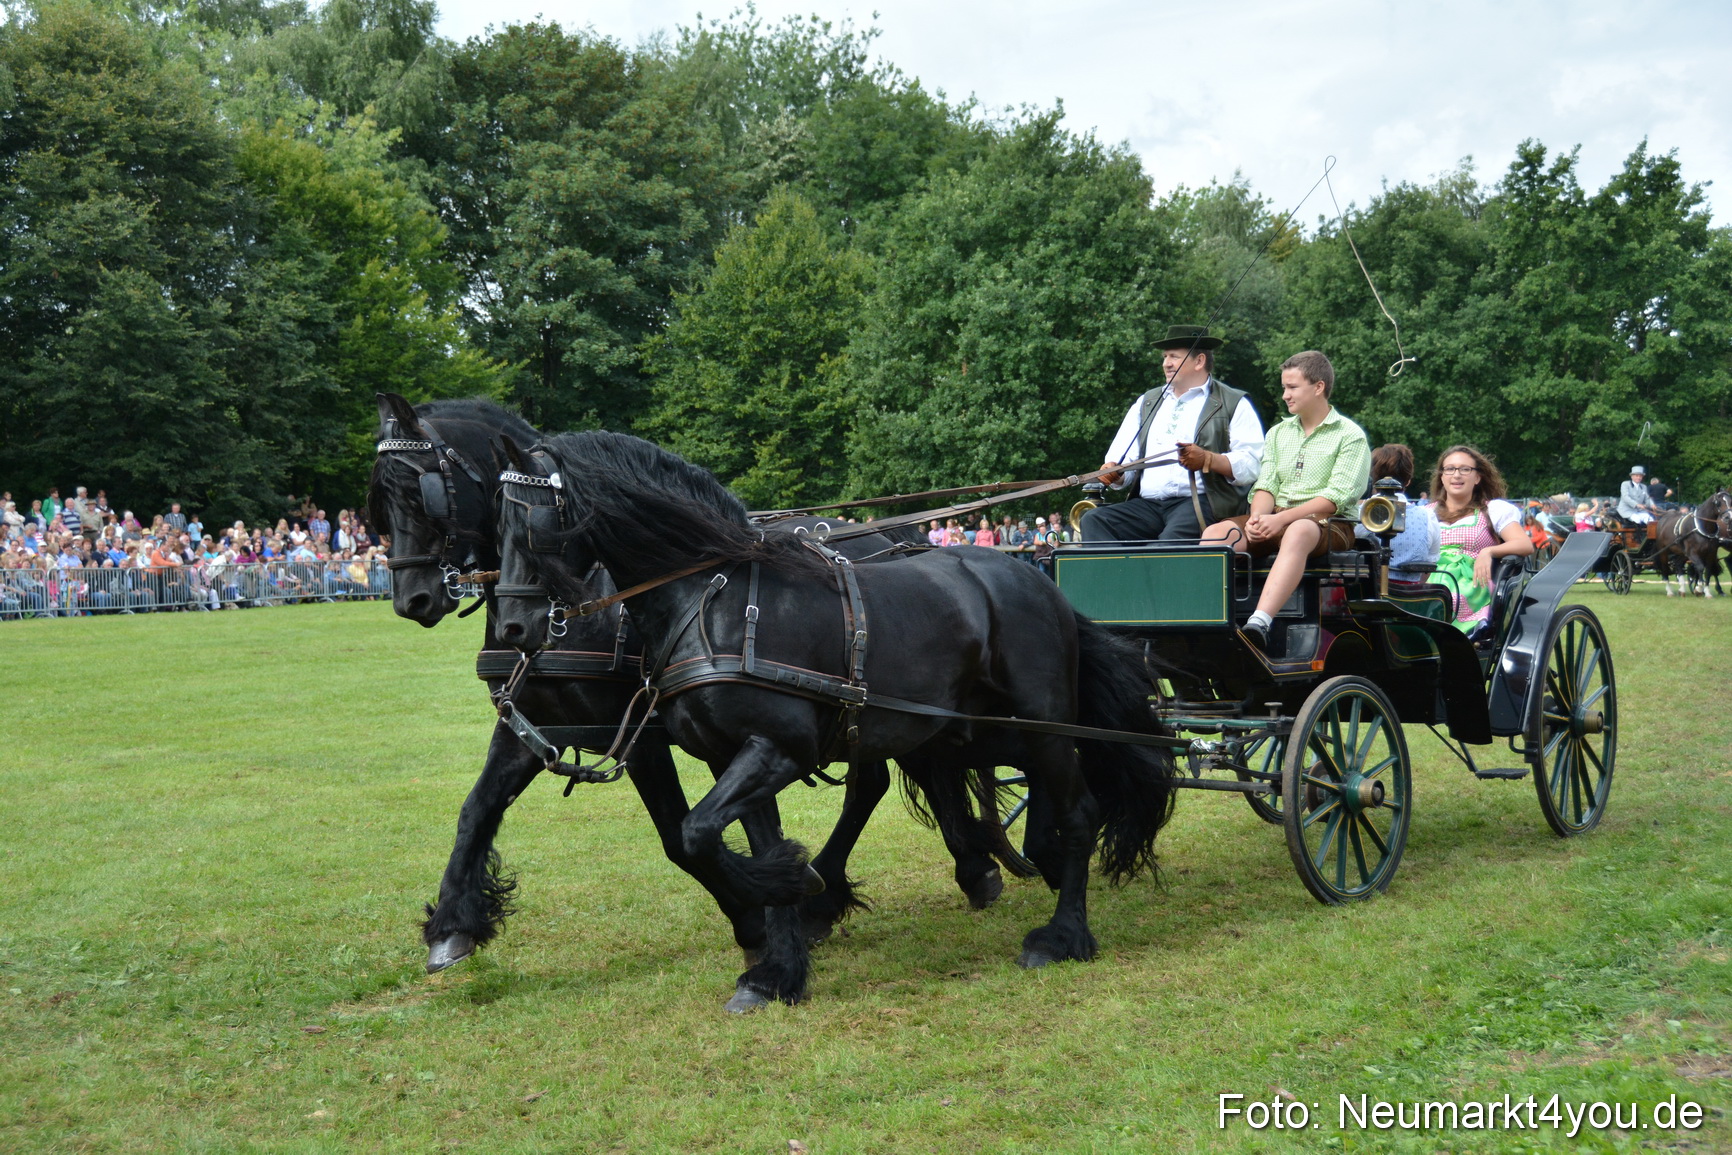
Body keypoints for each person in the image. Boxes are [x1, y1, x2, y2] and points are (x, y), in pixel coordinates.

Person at [1201, 351, 1369, 651]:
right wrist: (1257, 518)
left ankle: (1259, 623)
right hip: (1277, 517)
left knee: (1298, 530)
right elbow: (1265, 485)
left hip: (1331, 524)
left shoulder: (1350, 435)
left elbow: (1334, 498)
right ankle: (1207, 621)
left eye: (1292, 387)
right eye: (1284, 387)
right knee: (1216, 534)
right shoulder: (1278, 433)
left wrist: (1280, 520)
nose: (1284, 395)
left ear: (1318, 387)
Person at [1086, 325, 1265, 542]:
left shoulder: (1234, 402)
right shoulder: (1146, 402)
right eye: (1164, 357)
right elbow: (1125, 462)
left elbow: (1251, 465)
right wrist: (1117, 471)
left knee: (1168, 545)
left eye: (1174, 356)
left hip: (1202, 503)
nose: (1166, 363)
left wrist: (1209, 459)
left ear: (1199, 361)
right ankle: (1119, 576)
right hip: (1149, 506)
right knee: (1094, 520)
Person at [1429, 445, 1533, 634]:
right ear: (1442, 476)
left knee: (1449, 598)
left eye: (1465, 469)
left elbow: (1524, 544)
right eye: (1450, 469)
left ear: (1477, 477)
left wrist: (1488, 551)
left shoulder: (1493, 510)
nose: (1456, 475)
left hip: (1472, 584)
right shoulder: (1426, 513)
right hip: (1429, 580)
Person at [1355, 443, 1439, 578]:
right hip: (1411, 595)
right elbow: (1429, 566)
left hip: (1367, 592)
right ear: (1408, 481)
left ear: (1372, 478)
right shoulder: (1428, 516)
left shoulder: (1359, 514)